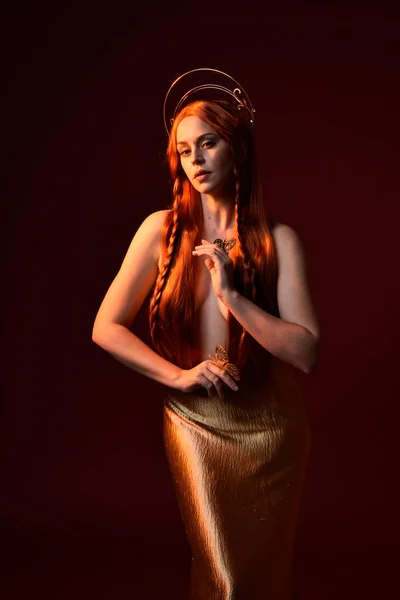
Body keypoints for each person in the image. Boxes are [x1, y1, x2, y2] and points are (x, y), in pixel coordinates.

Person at [92, 69, 321, 599]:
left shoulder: (279, 242)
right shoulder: (159, 230)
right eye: (185, 150)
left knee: (262, 577)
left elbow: (307, 353)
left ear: (237, 148)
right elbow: (105, 327)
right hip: (196, 426)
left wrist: (232, 296)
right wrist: (179, 376)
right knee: (224, 573)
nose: (195, 160)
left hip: (273, 430)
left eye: (208, 144)